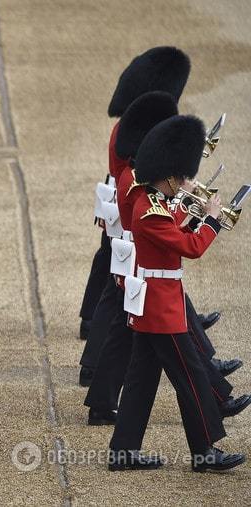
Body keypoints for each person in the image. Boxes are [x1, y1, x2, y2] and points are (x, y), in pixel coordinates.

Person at [84, 92, 248, 425]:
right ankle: (215, 396)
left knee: (146, 335)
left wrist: (182, 204)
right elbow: (151, 221)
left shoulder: (139, 170)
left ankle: (214, 390)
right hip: (139, 263)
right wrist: (193, 210)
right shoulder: (135, 180)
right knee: (167, 334)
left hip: (143, 262)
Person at [108, 115, 244, 472]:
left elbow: (176, 230)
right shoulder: (149, 210)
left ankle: (123, 451)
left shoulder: (154, 200)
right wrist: (212, 221)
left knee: (141, 378)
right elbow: (192, 248)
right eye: (181, 177)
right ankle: (205, 452)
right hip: (160, 307)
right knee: (193, 377)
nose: (185, 182)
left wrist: (193, 214)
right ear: (167, 175)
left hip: (158, 301)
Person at [78, 46, 220, 386]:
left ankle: (210, 372)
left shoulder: (138, 151)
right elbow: (141, 201)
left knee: (126, 309)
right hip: (133, 242)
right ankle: (95, 375)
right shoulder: (134, 168)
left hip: (138, 243)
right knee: (123, 310)